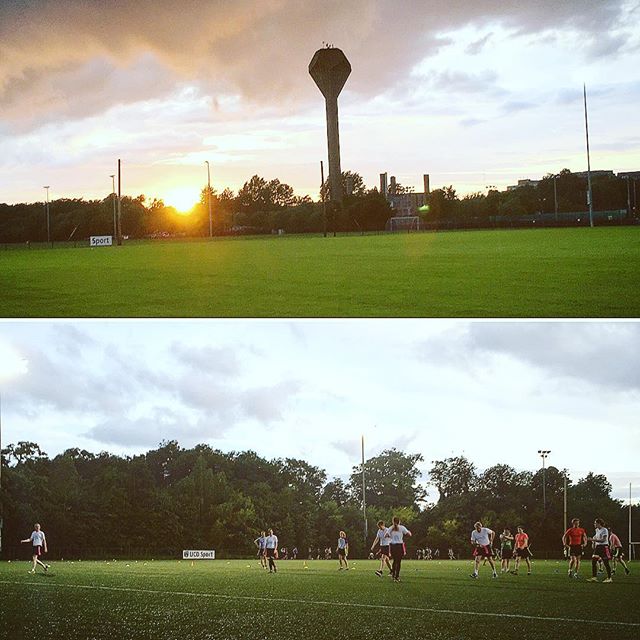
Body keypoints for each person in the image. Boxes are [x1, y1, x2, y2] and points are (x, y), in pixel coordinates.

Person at [388, 516, 411, 582]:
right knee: (398, 561)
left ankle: (393, 575)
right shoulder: (402, 527)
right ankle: (397, 577)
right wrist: (408, 532)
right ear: (399, 521)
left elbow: (386, 535)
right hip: (399, 546)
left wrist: (391, 536)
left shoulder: (390, 528)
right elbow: (409, 534)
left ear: (393, 522)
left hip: (392, 546)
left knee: (394, 561)